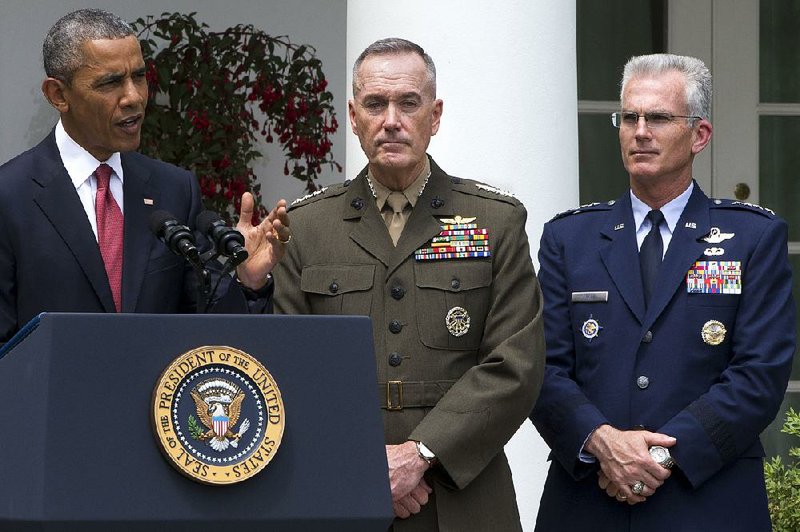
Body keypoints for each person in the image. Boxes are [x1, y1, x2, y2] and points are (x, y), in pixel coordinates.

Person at [273, 38, 545, 530]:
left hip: (464, 493)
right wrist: (366, 465)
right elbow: (290, 366)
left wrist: (419, 454)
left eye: (408, 103)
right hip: (341, 490)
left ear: (435, 115)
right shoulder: (307, 227)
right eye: (375, 104)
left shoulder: (494, 220)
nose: (391, 120)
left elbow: (515, 365)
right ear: (353, 117)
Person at [529, 53, 795, 531]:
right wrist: (604, 443)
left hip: (708, 500)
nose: (640, 131)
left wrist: (658, 458)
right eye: (629, 117)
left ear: (700, 135)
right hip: (589, 499)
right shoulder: (570, 239)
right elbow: (540, 368)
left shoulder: (752, 238)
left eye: (658, 118)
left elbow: (760, 374)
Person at [0, 8, 290, 344]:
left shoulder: (174, 190)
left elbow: (210, 335)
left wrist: (246, 280)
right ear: (58, 95)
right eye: (110, 83)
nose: (134, 97)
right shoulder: (11, 196)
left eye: (139, 76)